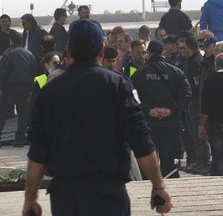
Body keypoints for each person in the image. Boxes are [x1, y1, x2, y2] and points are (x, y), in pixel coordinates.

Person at [24, 19, 172, 216]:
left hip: (66, 197)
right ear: (102, 50)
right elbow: (142, 141)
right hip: (108, 194)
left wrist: (31, 198)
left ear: (68, 51)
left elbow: (38, 152)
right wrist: (158, 186)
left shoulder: (50, 91)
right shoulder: (118, 86)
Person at [130, 39, 192, 179]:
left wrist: (148, 110)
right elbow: (187, 95)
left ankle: (149, 188)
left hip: (148, 124)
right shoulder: (176, 72)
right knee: (169, 161)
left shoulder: (140, 73)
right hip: (170, 123)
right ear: (162, 52)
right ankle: (172, 190)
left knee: (147, 161)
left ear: (149, 53)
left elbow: (130, 96)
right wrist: (170, 110)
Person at [0, 31, 36, 146]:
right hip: (25, 87)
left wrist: (1, 87)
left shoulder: (6, 54)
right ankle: (20, 139)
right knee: (23, 114)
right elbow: (33, 72)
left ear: (11, 40)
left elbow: (2, 72)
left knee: (3, 113)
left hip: (10, 87)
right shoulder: (29, 54)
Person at [179, 35, 208, 172]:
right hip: (191, 101)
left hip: (195, 102)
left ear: (189, 47)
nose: (182, 50)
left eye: (184, 47)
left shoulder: (196, 62)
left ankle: (202, 161)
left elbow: (197, 84)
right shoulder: (189, 60)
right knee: (193, 133)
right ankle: (198, 160)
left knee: (198, 132)